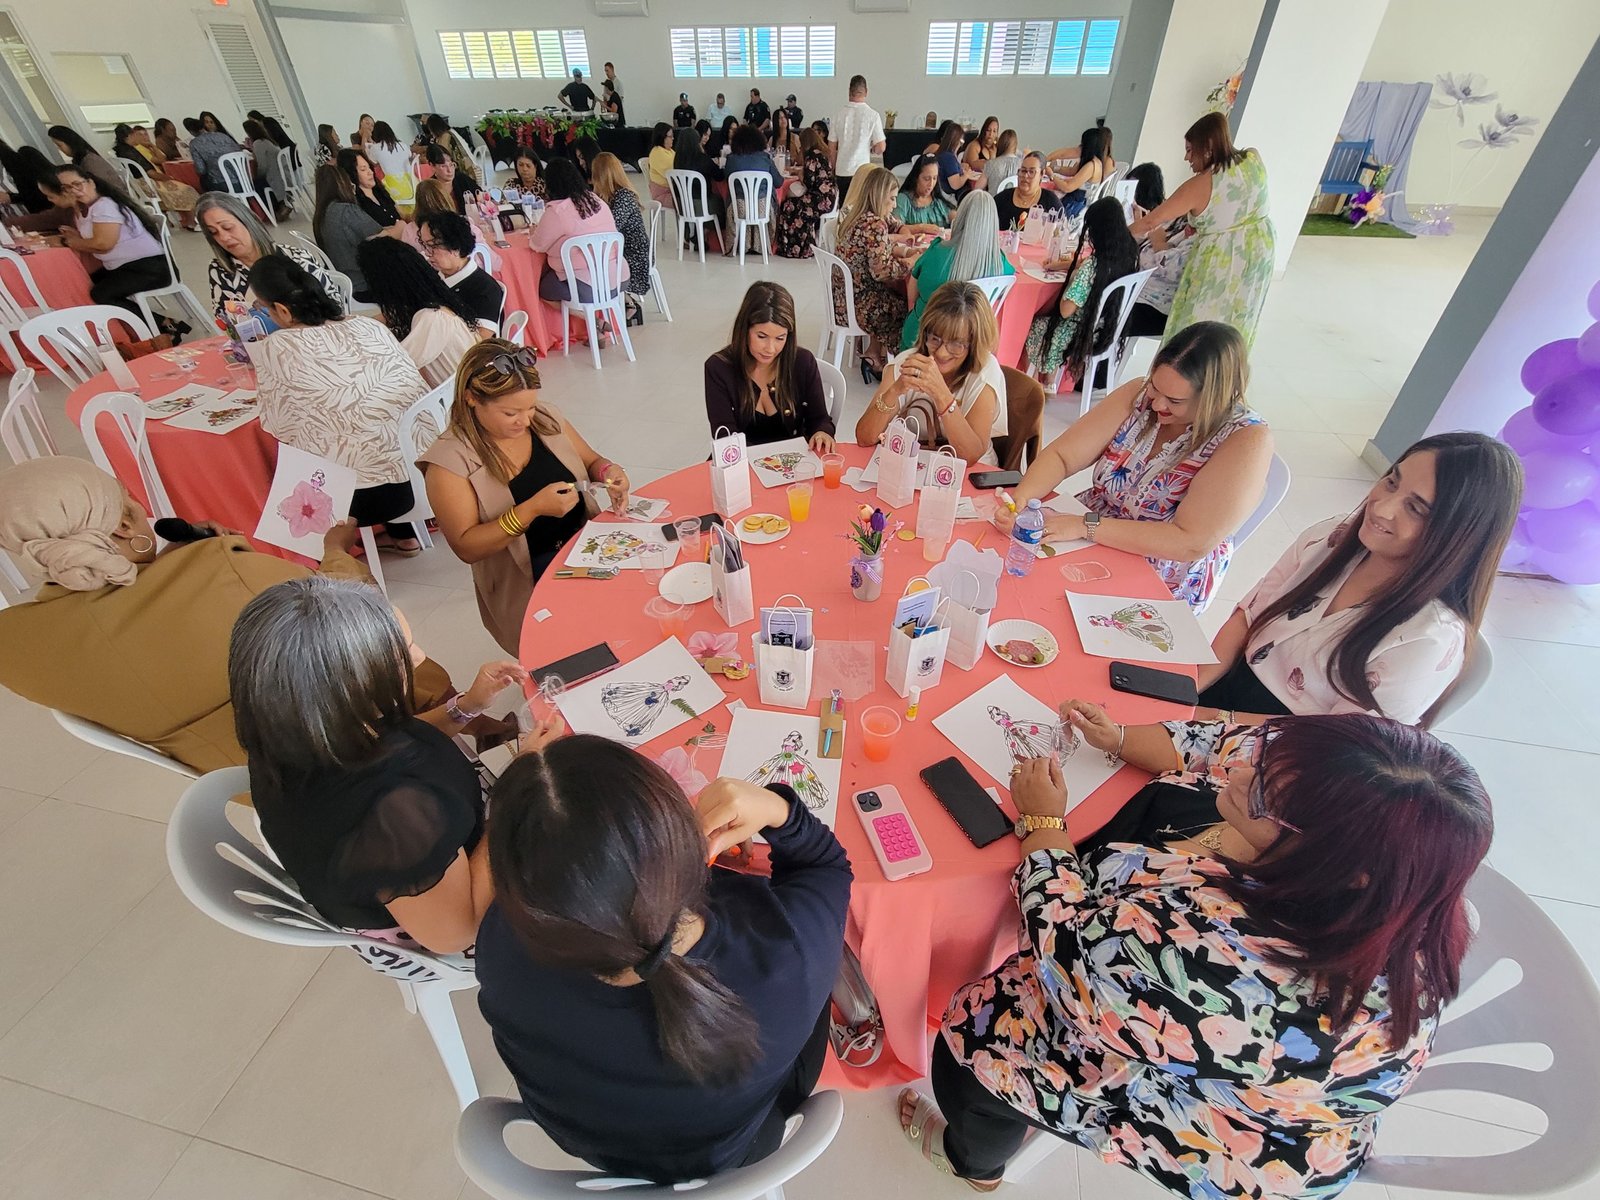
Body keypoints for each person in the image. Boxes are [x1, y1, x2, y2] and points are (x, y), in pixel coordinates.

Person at [906, 711, 1492, 1197]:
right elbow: (1231, 744)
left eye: (1264, 793)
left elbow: (1064, 948)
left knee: (975, 1037)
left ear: (1340, 867)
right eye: (1268, 759)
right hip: (1206, 1033)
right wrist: (1122, 738)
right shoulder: (1390, 871)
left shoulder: (1235, 971)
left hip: (1233, 1131)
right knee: (1165, 807)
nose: (1240, 775)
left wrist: (1041, 824)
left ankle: (973, 1163)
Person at [479, 737, 850, 1185]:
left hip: (595, 1144)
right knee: (817, 990)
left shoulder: (503, 943)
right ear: (681, 839)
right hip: (737, 1144)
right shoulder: (786, 953)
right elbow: (828, 865)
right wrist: (778, 810)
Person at [0, 459, 423, 772]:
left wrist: (164, 565)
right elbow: (352, 610)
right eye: (129, 500)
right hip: (356, 743)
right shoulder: (224, 569)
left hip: (241, 779)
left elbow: (128, 631)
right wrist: (334, 549)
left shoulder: (15, 646)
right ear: (124, 528)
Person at [231, 577, 541, 951]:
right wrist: (520, 789)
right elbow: (458, 933)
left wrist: (465, 708)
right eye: (405, 650)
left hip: (418, 868)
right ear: (354, 685)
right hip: (445, 920)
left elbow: (393, 736)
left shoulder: (298, 725)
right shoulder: (392, 815)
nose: (421, 657)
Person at [1199, 433, 1522, 726]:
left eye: (1416, 509)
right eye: (1392, 483)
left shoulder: (1428, 638)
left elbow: (1335, 740)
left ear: (1458, 535)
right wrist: (1189, 687)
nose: (1383, 508)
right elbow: (1248, 615)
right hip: (1221, 693)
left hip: (1283, 750)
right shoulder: (1331, 538)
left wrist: (1208, 719)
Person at [1001, 321, 1272, 611]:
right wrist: (1021, 499)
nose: (1157, 405)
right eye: (1155, 388)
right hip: (1086, 532)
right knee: (1016, 587)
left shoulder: (1245, 439)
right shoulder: (1140, 395)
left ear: (1214, 400)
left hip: (1161, 568)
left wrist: (1086, 526)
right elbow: (1063, 457)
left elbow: (1190, 542)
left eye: (1175, 401)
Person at [421, 339, 629, 653]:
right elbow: (466, 546)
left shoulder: (545, 419)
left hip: (586, 553)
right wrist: (529, 511)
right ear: (472, 399)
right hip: (527, 579)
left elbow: (590, 460)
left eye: (530, 407)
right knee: (565, 656)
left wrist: (608, 471)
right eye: (511, 412)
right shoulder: (448, 463)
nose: (526, 420)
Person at [250, 254, 427, 552]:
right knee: (366, 428)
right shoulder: (369, 326)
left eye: (263, 308)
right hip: (426, 473)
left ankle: (329, 559)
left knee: (303, 458)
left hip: (358, 499)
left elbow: (277, 426)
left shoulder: (278, 347)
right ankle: (405, 534)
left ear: (281, 309)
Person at [1131, 112, 1274, 347]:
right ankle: (1223, 364)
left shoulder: (1204, 183)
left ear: (1207, 148)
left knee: (1201, 324)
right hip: (1259, 251)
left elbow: (1151, 221)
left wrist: (1117, 233)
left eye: (1190, 150)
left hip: (1221, 260)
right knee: (1237, 317)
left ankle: (1197, 373)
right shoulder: (1252, 158)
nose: (1187, 158)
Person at [857, 281, 1005, 465]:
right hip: (915, 465)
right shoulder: (907, 362)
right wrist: (895, 390)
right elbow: (864, 438)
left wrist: (941, 394)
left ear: (975, 344)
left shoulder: (984, 372)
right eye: (935, 338)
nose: (942, 352)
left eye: (956, 344)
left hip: (969, 473)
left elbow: (971, 455)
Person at [1023, 196, 1142, 385]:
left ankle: (1039, 384)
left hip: (1081, 332)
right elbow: (1086, 263)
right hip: (1106, 327)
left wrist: (1071, 280)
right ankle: (1051, 383)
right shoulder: (1127, 255)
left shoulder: (1092, 268)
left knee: (1038, 324)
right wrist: (1061, 265)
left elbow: (1066, 310)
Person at [705, 281, 835, 452]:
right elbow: (725, 435)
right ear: (745, 330)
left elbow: (820, 419)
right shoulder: (718, 368)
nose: (770, 349)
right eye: (762, 336)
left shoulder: (803, 362)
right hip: (741, 464)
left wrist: (822, 432)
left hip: (796, 464)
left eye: (780, 338)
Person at [52, 165, 174, 316]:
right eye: (66, 188)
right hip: (125, 266)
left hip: (149, 268)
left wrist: (71, 242)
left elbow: (103, 244)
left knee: (101, 294)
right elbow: (96, 239)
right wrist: (76, 235)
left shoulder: (104, 206)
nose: (74, 191)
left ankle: (163, 326)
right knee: (85, 283)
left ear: (91, 182)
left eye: (77, 184)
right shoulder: (86, 208)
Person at [196, 192, 336, 324]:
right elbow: (224, 321)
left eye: (228, 227)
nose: (224, 238)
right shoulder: (220, 269)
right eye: (213, 233)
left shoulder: (296, 257)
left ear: (248, 222)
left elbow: (333, 306)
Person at [358, 237, 480, 386]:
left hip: (454, 403)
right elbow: (384, 318)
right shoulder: (433, 305)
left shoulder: (433, 318)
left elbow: (397, 367)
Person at [900, 190, 1010, 350]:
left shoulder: (936, 251)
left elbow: (912, 293)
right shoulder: (1000, 262)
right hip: (971, 344)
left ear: (960, 217)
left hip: (924, 337)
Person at [834, 166, 914, 378]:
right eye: (892, 199)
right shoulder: (874, 225)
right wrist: (911, 261)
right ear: (880, 196)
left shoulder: (856, 215)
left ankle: (872, 354)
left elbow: (888, 239)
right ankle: (898, 371)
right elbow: (883, 272)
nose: (895, 205)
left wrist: (903, 249)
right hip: (859, 305)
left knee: (892, 296)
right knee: (907, 309)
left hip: (844, 298)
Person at [527, 158, 628, 305]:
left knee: (542, 288)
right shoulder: (596, 200)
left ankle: (591, 319)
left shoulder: (557, 210)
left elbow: (537, 245)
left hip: (588, 285)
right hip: (618, 278)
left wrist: (533, 232)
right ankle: (596, 321)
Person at [1123, 162, 1192, 339]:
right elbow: (1137, 249)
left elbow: (1173, 271)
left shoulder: (1195, 237)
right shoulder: (1168, 220)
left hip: (1154, 306)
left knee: (1093, 318)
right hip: (1136, 291)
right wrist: (1138, 231)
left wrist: (1158, 240)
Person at [589, 152, 650, 326]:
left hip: (634, 255)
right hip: (620, 250)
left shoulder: (624, 197)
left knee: (598, 266)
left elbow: (610, 228)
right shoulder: (609, 196)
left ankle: (626, 301)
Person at [419, 210, 504, 333]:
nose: (426, 253)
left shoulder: (486, 290)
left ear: (455, 247)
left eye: (432, 246)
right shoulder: (432, 277)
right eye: (424, 245)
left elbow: (478, 344)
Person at [312, 163, 384, 302]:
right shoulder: (346, 211)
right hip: (364, 284)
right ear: (342, 184)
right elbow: (380, 238)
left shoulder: (321, 215)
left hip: (344, 283)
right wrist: (400, 228)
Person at [113, 123, 200, 230]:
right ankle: (191, 222)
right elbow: (150, 172)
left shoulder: (119, 151)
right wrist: (168, 178)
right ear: (129, 136)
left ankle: (186, 220)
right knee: (186, 189)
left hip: (136, 185)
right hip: (148, 183)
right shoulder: (131, 152)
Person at [774, 127, 837, 259]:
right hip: (829, 198)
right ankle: (802, 246)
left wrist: (800, 174)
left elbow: (808, 183)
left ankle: (795, 248)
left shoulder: (811, 155)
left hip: (819, 199)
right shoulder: (822, 153)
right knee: (793, 204)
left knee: (788, 206)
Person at [723, 123, 785, 251]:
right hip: (762, 208)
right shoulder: (765, 158)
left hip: (738, 208)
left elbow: (726, 178)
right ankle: (761, 245)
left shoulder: (731, 159)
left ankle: (739, 246)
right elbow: (779, 182)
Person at [829, 74, 886, 196]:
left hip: (842, 170)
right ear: (866, 92)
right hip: (862, 172)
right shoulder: (873, 115)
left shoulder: (838, 115)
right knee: (860, 210)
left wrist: (833, 169)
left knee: (844, 209)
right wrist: (872, 148)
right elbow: (881, 147)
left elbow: (831, 148)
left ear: (849, 91)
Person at [671, 124, 726, 250]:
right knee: (722, 203)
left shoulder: (677, 160)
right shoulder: (702, 159)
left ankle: (698, 234)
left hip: (682, 205)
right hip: (701, 206)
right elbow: (719, 176)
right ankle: (708, 233)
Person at [1044, 125, 1110, 217]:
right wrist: (1053, 167)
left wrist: (1052, 175)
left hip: (1076, 206)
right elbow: (1071, 170)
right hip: (1078, 201)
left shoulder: (1091, 166)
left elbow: (1068, 187)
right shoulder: (1095, 162)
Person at [993, 150, 1061, 231]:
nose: (1025, 176)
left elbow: (1059, 232)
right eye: (1023, 170)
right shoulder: (1003, 198)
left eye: (1031, 172)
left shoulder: (1050, 202)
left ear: (1042, 174)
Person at [338, 147, 402, 231]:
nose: (370, 172)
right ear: (351, 174)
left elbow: (400, 213)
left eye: (369, 168)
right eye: (363, 169)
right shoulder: (356, 204)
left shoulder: (379, 190)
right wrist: (400, 228)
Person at [242, 118, 294, 221]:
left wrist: (256, 176)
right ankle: (281, 205)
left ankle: (273, 210)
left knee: (255, 184)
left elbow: (262, 166)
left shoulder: (258, 144)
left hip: (275, 177)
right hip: (282, 174)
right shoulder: (268, 141)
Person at [47, 125, 121, 192]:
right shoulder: (82, 159)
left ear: (69, 142)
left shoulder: (90, 161)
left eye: (59, 145)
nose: (60, 149)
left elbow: (102, 187)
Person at [893, 155, 954, 234]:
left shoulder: (937, 200)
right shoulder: (904, 199)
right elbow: (895, 226)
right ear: (916, 178)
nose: (931, 184)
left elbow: (954, 216)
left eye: (934, 178)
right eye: (927, 179)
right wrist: (921, 228)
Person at [364, 120, 415, 205]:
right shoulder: (403, 145)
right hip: (411, 183)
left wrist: (366, 139)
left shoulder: (376, 148)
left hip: (393, 187)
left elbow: (373, 162)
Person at [186, 120, 243, 194]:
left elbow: (201, 170)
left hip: (222, 183)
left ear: (191, 131)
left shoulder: (194, 143)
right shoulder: (223, 136)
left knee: (203, 180)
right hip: (242, 179)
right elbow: (238, 151)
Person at [933, 121, 983, 202]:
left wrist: (960, 167)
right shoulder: (948, 158)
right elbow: (955, 185)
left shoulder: (942, 154)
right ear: (957, 141)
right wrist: (966, 175)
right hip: (949, 197)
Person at [426, 114, 480, 186]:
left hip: (466, 174)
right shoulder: (451, 131)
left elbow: (441, 155)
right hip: (471, 167)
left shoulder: (445, 137)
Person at [424, 144, 477, 214]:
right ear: (432, 166)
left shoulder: (461, 178)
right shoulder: (430, 188)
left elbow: (479, 193)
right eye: (443, 166)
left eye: (451, 165)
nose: (450, 170)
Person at [646, 122, 675, 209]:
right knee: (688, 201)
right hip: (663, 194)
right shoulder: (657, 152)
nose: (673, 138)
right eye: (670, 136)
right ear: (662, 137)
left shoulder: (670, 151)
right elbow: (671, 175)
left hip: (672, 191)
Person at [981, 129, 1021, 194]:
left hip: (994, 202)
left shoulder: (991, 164)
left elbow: (977, 188)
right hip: (1014, 203)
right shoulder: (1022, 165)